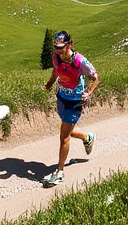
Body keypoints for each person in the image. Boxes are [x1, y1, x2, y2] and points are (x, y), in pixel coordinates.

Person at [41, 30, 99, 186]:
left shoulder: (80, 61)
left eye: (61, 47)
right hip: (61, 97)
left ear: (69, 45)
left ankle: (59, 171)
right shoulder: (56, 58)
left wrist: (89, 93)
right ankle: (87, 138)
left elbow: (96, 77)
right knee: (65, 129)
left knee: (63, 136)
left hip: (75, 100)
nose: (58, 51)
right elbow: (55, 72)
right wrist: (49, 84)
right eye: (56, 47)